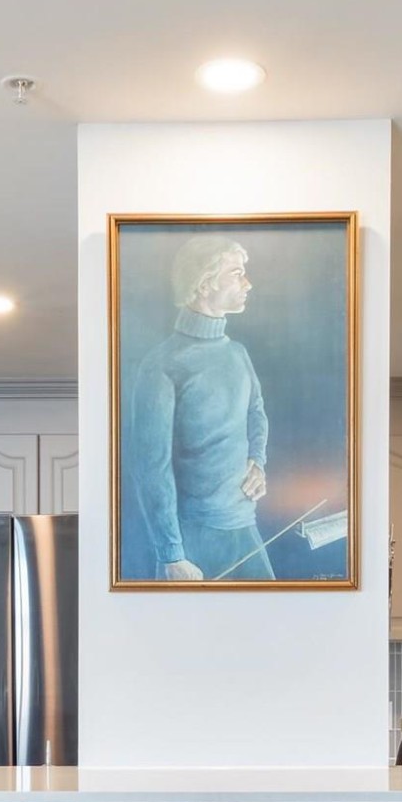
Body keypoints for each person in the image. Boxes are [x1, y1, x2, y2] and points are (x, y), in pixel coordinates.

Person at [121, 235, 271, 581]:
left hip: (243, 527)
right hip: (190, 540)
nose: (248, 283)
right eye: (237, 273)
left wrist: (258, 462)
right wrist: (172, 554)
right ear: (204, 284)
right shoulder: (161, 365)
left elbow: (256, 414)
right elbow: (151, 469)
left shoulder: (238, 354)